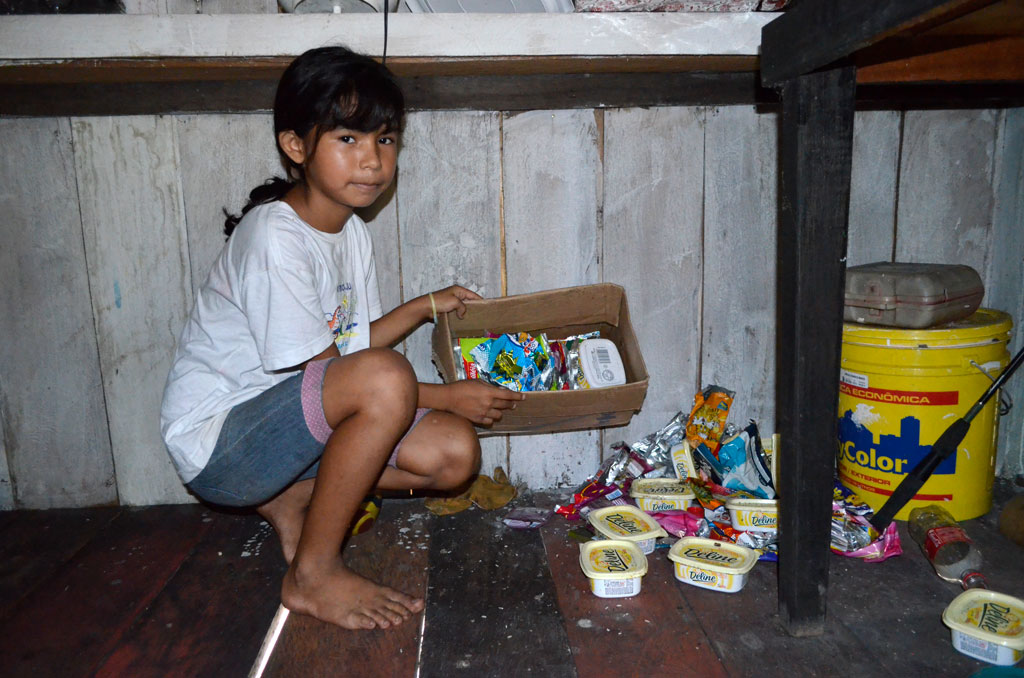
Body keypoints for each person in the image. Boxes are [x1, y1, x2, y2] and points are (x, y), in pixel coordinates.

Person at [160, 46, 523, 631]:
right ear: (296, 146)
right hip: (222, 448)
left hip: (287, 437)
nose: (373, 161)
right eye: (348, 140)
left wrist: (425, 306)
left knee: (455, 455)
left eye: (385, 140)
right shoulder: (275, 239)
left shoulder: (350, 232)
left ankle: (287, 497)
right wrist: (445, 395)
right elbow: (354, 376)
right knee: (388, 379)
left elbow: (347, 352)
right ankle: (311, 575)